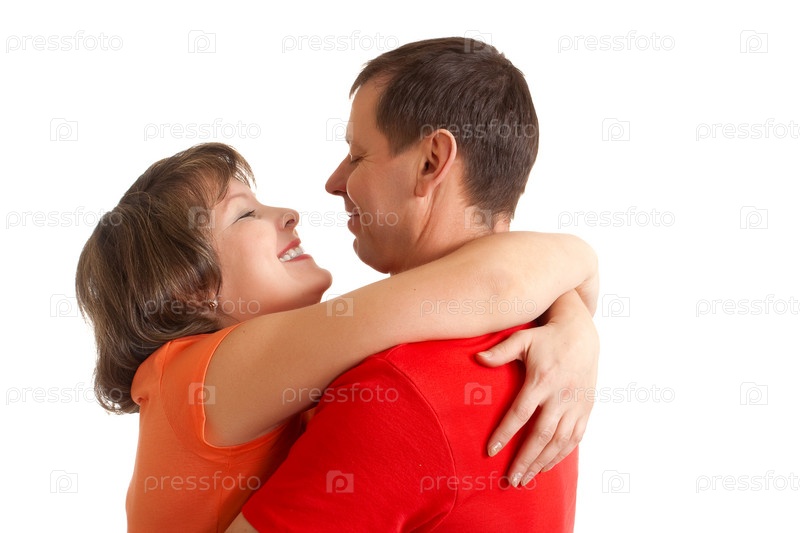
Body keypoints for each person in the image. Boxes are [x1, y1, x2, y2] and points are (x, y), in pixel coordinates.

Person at [76, 142, 598, 530]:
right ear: (190, 290)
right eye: (246, 213)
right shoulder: (201, 374)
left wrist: (569, 318)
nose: (289, 214)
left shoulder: (246, 379)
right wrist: (583, 268)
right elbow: (489, 284)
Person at [231, 37, 597, 532]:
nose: (334, 182)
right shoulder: (545, 354)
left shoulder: (394, 394)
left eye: (357, 155)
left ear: (431, 162)